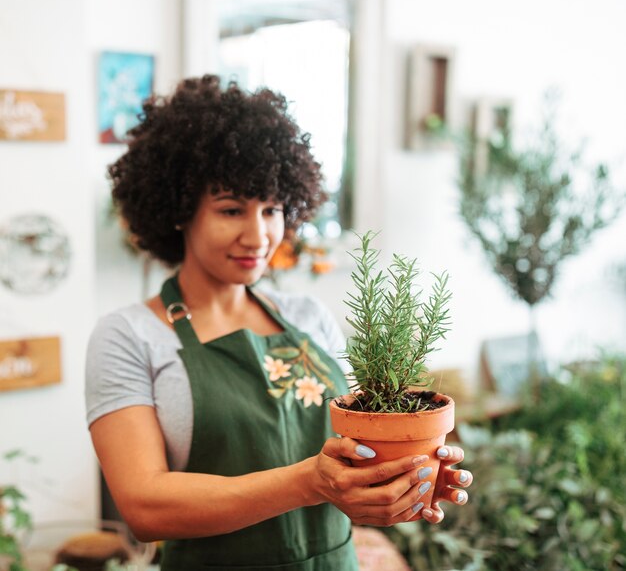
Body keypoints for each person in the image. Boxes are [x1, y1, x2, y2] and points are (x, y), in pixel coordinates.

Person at [85, 75, 473, 571]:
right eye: (230, 210)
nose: (259, 234)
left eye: (272, 209)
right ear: (178, 210)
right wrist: (309, 482)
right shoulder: (128, 336)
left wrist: (408, 477)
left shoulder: (308, 318)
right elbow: (144, 506)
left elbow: (354, 462)